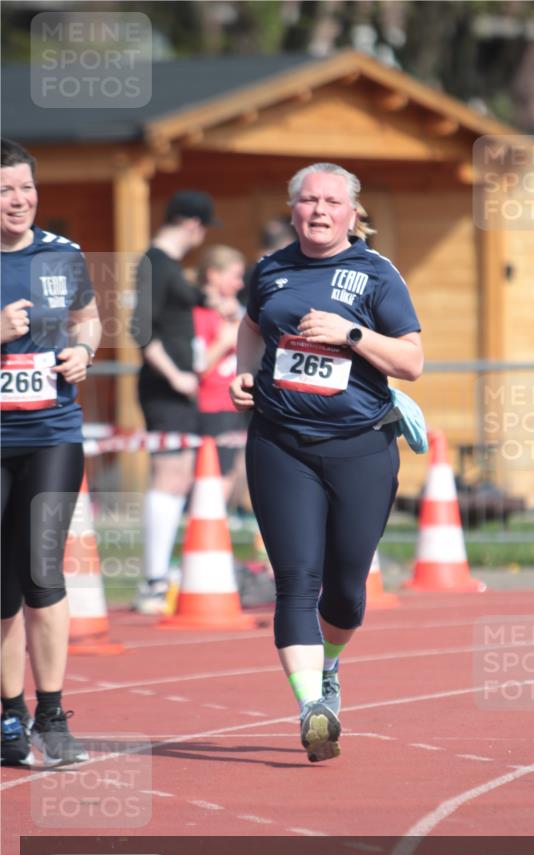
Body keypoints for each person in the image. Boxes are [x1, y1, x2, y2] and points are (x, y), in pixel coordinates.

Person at [230, 162, 423, 763]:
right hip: (280, 442)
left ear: (351, 212)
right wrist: (242, 371)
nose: (318, 210)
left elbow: (412, 361)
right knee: (295, 580)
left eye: (331, 202)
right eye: (308, 200)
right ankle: (313, 706)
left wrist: (351, 336)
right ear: (293, 210)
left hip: (360, 447)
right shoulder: (270, 269)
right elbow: (251, 325)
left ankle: (330, 668)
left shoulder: (376, 274)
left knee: (344, 592)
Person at [1, 138, 101, 767]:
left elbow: (88, 318)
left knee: (42, 573)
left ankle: (53, 713)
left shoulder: (62, 256)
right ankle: (8, 714)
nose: (20, 201)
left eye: (27, 188)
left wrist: (84, 351)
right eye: (5, 190)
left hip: (51, 434)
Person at [131, 190, 221, 614]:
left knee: (179, 477)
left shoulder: (168, 268)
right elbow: (142, 332)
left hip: (181, 390)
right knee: (168, 477)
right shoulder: (153, 263)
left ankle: (159, 576)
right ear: (192, 225)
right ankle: (152, 581)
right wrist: (176, 375)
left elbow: (180, 305)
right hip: (165, 390)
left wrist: (214, 301)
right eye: (202, 230)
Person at [193, 245, 248, 506]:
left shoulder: (232, 311)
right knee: (218, 475)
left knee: (235, 472)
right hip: (212, 404)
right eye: (235, 276)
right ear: (214, 275)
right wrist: (225, 341)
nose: (239, 284)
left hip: (234, 403)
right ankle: (208, 532)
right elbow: (198, 364)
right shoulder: (199, 314)